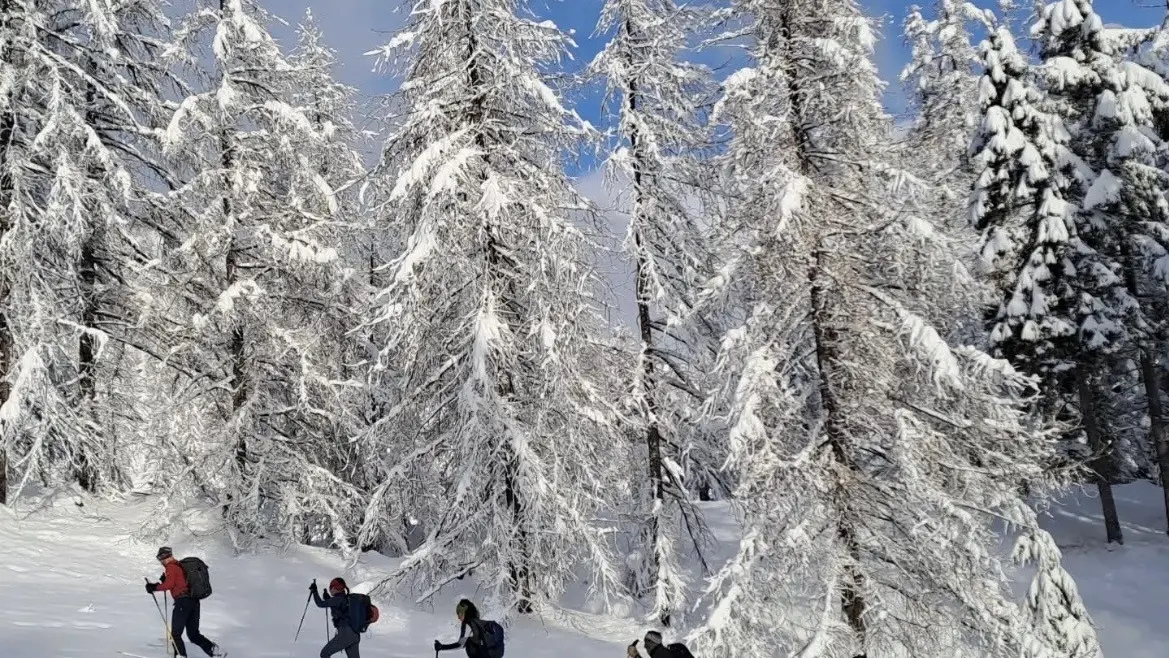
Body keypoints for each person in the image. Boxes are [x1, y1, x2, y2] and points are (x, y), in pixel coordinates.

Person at [145, 547, 225, 658]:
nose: (161, 562)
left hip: (183, 602)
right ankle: (215, 651)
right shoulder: (180, 566)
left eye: (160, 559)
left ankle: (181, 656)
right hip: (194, 602)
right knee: (193, 634)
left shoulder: (171, 567)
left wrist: (154, 587)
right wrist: (165, 580)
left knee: (175, 634)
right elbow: (178, 582)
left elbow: (169, 585)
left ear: (164, 557)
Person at [433, 599, 502, 658]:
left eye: (460, 614)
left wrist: (442, 647)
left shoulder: (468, 624)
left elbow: (460, 645)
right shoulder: (478, 623)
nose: (458, 617)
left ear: (466, 613)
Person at [311, 577, 361, 658]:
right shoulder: (347, 599)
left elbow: (320, 604)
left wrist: (314, 591)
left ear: (335, 588)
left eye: (331, 587)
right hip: (355, 634)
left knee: (324, 654)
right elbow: (338, 609)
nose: (330, 590)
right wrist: (328, 599)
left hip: (345, 633)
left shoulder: (337, 599)